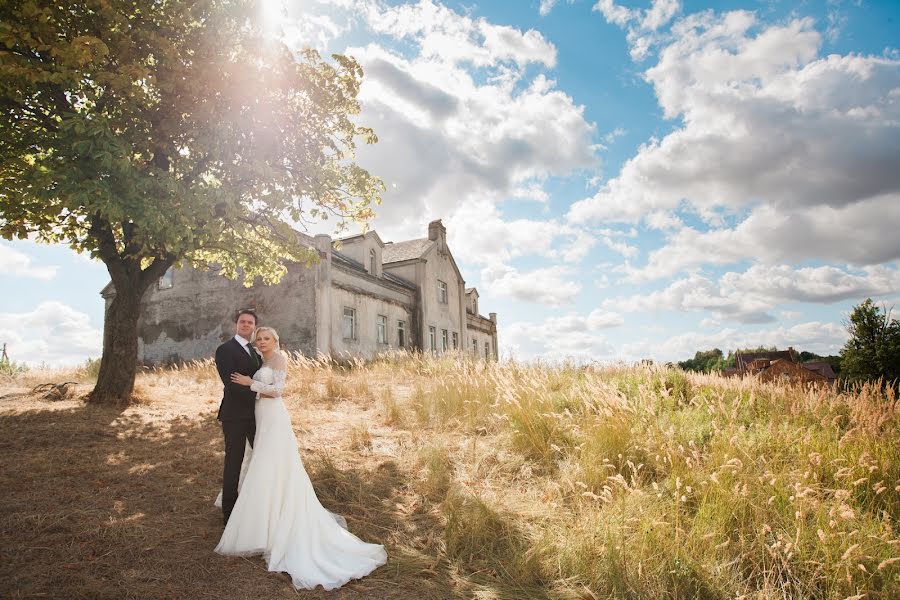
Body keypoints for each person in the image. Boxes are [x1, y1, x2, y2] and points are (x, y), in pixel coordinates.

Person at [215, 326, 387, 590]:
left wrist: (252, 384)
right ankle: (263, 518)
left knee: (276, 463)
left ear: (276, 340)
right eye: (259, 339)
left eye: (267, 338)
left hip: (274, 415)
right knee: (262, 464)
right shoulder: (260, 360)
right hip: (261, 416)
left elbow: (279, 390)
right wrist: (254, 388)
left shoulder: (280, 359)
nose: (262, 342)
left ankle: (280, 517)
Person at [214, 309, 262, 526]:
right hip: (234, 414)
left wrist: (258, 392)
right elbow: (231, 383)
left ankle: (257, 504)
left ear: (254, 327)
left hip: (256, 415)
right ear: (236, 324)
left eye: (250, 322)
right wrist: (259, 392)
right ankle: (229, 512)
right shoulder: (225, 349)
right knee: (234, 461)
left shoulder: (255, 352)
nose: (246, 325)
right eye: (242, 321)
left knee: (261, 458)